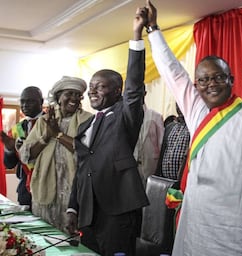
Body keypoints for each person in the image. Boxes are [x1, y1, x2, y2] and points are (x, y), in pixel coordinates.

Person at [145, 1, 242, 255]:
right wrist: (153, 30)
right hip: (194, 231)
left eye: (219, 77)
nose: (211, 84)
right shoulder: (198, 113)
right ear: (197, 85)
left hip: (234, 235)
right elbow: (173, 73)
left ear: (231, 80)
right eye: (203, 79)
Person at [65, 7, 149, 256]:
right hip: (89, 212)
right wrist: (72, 208)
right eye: (91, 87)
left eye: (100, 87)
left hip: (118, 210)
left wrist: (136, 35)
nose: (92, 92)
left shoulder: (126, 114)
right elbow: (82, 170)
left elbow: (135, 86)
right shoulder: (85, 125)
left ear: (117, 91)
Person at [18, 77, 92, 232]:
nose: (74, 98)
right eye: (69, 94)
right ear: (58, 97)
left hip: (73, 196)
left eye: (78, 95)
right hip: (45, 194)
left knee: (71, 240)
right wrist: (46, 136)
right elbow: (26, 155)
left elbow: (87, 153)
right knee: (45, 237)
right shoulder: (44, 120)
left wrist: (58, 134)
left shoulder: (88, 120)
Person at [1, 86, 43, 208]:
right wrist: (9, 150)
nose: (25, 105)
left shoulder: (51, 123)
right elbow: (9, 165)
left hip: (49, 189)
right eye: (22, 101)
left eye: (30, 101)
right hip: (25, 192)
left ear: (40, 102)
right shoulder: (16, 129)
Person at [133, 90, 164, 187]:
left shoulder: (155, 116)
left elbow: (161, 142)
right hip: (131, 169)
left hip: (150, 167)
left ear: (144, 93)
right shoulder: (125, 116)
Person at [155, 103, 190, 180]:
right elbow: (162, 152)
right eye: (177, 104)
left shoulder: (192, 127)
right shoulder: (170, 127)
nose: (179, 107)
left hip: (182, 183)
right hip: (165, 180)